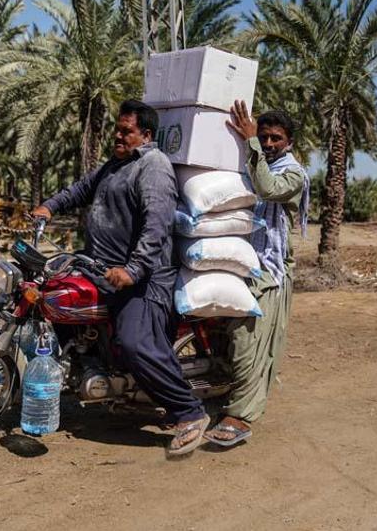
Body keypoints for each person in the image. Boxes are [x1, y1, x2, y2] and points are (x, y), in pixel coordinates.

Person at [32, 99, 210, 457]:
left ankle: (189, 413)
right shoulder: (115, 165)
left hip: (144, 279)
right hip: (101, 271)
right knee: (61, 306)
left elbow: (156, 225)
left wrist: (133, 270)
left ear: (145, 134)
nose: (118, 134)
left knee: (133, 342)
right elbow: (80, 190)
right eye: (117, 128)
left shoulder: (153, 166)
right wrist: (49, 206)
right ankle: (98, 374)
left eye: (126, 130)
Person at [204, 100, 309, 448]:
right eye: (262, 137)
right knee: (225, 336)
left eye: (275, 138)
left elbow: (270, 190)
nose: (267, 143)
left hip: (271, 271)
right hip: (242, 262)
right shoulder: (252, 166)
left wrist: (249, 143)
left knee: (252, 342)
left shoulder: (293, 173)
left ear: (289, 141)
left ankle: (241, 416)